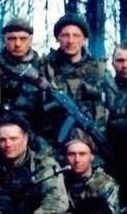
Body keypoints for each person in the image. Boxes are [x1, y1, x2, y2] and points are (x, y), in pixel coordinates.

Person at [38, 14, 112, 152]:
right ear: (57, 38)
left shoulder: (99, 71)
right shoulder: (44, 68)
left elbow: (114, 108)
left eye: (76, 35)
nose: (70, 41)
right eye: (65, 35)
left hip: (92, 148)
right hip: (52, 147)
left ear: (84, 39)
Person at [62, 130, 120, 214]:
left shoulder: (107, 185)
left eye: (82, 154)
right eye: (71, 154)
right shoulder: (61, 181)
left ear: (92, 156)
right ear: (65, 157)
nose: (77, 160)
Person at [0, 17, 42, 124]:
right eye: (12, 38)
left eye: (23, 39)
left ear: (30, 40)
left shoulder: (43, 67)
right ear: (4, 40)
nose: (17, 44)